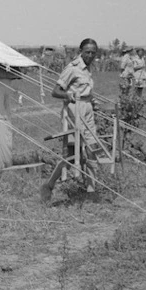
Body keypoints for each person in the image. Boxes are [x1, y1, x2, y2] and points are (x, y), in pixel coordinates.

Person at [40, 38, 101, 203]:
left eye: (93, 53)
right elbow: (55, 91)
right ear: (81, 51)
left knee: (92, 149)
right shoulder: (72, 68)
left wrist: (93, 102)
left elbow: (85, 90)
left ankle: (91, 190)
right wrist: (67, 95)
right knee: (71, 155)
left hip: (87, 111)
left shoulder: (88, 69)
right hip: (74, 112)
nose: (90, 55)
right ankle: (49, 185)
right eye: (87, 52)